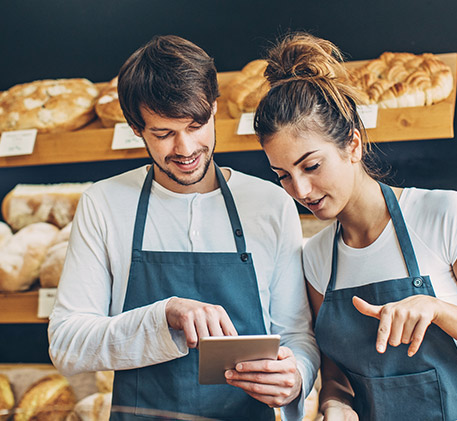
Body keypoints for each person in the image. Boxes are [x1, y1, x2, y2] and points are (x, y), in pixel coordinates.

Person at [253, 32, 457, 421]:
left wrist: (438, 311)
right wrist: (336, 404)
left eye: (311, 166)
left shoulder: (443, 216)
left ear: (353, 145)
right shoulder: (315, 258)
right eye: (284, 176)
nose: (301, 189)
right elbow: (337, 374)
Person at [48, 35, 320, 420]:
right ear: (135, 127)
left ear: (214, 107)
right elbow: (66, 344)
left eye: (197, 125)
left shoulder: (270, 203)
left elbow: (296, 335)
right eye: (163, 134)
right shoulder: (104, 204)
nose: (186, 148)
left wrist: (295, 378)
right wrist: (164, 317)